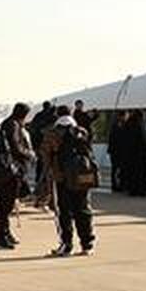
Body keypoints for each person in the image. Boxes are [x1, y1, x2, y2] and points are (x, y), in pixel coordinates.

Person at [43, 105, 96, 257]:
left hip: (62, 178)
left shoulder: (52, 133)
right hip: (82, 177)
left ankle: (66, 245)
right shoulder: (82, 131)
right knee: (83, 209)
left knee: (64, 212)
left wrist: (49, 174)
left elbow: (45, 155)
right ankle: (87, 244)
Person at [0, 103, 33, 249]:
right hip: (12, 170)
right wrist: (30, 154)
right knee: (6, 205)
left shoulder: (7, 123)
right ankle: (0, 236)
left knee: (6, 203)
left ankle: (5, 232)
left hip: (6, 169)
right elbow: (16, 148)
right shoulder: (14, 126)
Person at [122, 111, 146, 196]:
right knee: (140, 173)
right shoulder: (140, 125)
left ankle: (132, 189)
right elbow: (143, 140)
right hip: (139, 154)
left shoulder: (127, 124)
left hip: (130, 154)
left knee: (131, 173)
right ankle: (140, 190)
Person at [107, 111, 127, 193]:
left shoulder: (120, 125)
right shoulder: (116, 126)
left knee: (119, 168)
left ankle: (120, 184)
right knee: (115, 168)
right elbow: (112, 139)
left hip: (118, 150)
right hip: (116, 151)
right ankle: (115, 185)